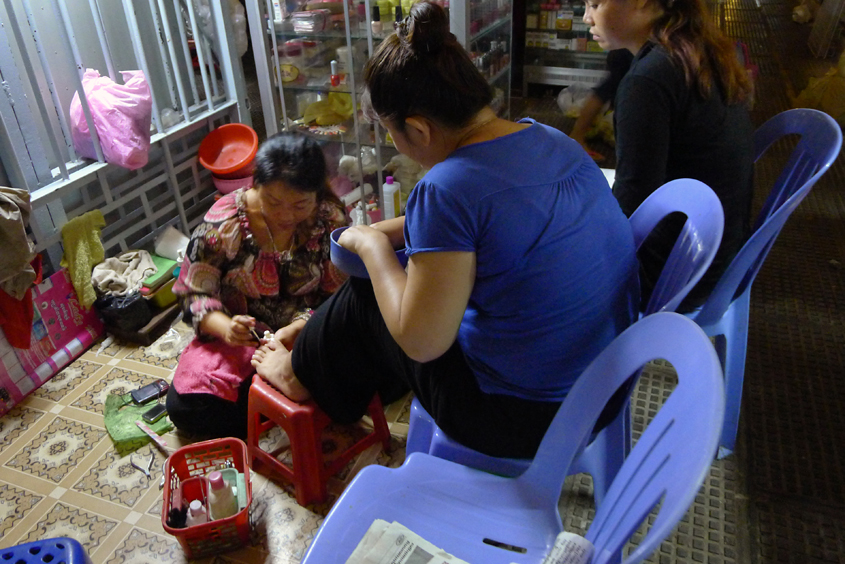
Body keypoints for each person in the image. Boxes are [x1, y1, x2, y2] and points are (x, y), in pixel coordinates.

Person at [251, 1, 640, 459]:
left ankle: (299, 374)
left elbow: (422, 340)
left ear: (417, 128)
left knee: (367, 298)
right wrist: (388, 233)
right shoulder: (547, 137)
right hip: (604, 388)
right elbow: (483, 221)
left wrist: (374, 244)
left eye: (391, 132)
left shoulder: (446, 187)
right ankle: (311, 343)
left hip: (522, 419)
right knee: (386, 297)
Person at [166, 132, 348, 439]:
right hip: (240, 342)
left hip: (306, 332)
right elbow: (194, 293)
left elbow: (338, 294)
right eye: (273, 202)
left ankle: (273, 400)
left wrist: (298, 328)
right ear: (254, 184)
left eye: (300, 204)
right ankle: (289, 397)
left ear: (317, 194)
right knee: (185, 407)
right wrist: (227, 328)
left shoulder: (329, 219)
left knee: (374, 364)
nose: (286, 216)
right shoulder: (224, 224)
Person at [583, 0, 755, 310]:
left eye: (595, 4)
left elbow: (634, 198)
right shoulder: (697, 46)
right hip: (721, 252)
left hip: (678, 274)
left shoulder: (648, 81)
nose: (586, 18)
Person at [568, 49, 633, 159]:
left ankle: (576, 137)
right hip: (630, 49)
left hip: (626, 47)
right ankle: (576, 137)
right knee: (607, 90)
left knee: (608, 89)